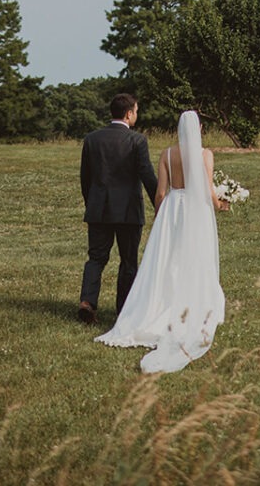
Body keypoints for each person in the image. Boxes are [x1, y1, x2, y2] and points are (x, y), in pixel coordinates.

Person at [96, 109, 228, 373]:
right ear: (200, 130)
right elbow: (207, 188)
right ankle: (193, 303)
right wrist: (221, 204)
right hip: (194, 209)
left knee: (167, 259)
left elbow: (160, 192)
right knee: (195, 256)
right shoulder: (205, 155)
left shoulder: (167, 154)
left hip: (172, 209)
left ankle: (159, 303)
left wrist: (161, 215)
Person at [78, 94, 159, 325]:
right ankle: (124, 309)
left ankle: (87, 302)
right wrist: (160, 205)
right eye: (136, 111)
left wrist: (91, 202)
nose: (136, 114)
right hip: (128, 212)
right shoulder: (137, 141)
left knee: (95, 258)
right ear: (128, 114)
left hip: (98, 209)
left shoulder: (92, 139)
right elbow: (147, 176)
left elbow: (86, 178)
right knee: (128, 261)